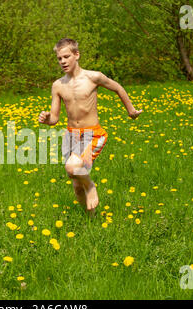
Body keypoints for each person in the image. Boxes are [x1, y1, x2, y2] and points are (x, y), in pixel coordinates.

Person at [38, 38, 143, 216]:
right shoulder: (58, 85)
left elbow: (117, 87)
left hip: (92, 135)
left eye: (66, 56)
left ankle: (91, 186)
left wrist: (131, 110)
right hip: (71, 136)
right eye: (59, 58)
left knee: (72, 168)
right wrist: (47, 119)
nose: (62, 61)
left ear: (76, 55)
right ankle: (91, 218)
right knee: (77, 185)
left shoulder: (93, 77)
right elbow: (55, 118)